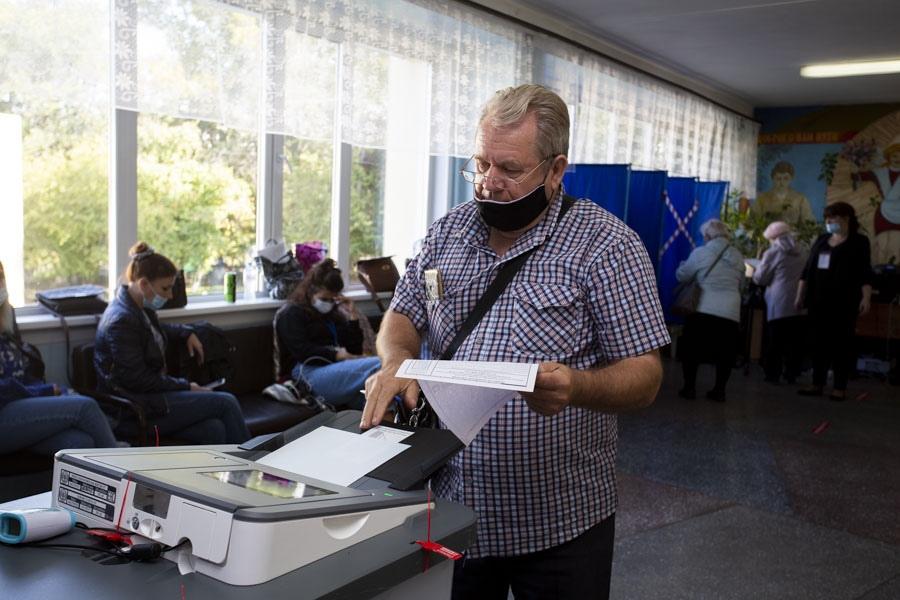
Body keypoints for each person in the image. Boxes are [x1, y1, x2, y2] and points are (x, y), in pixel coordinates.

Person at [361, 84, 669, 599]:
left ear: (555, 169)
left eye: (509, 169)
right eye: (480, 164)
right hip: (450, 505)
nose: (487, 183)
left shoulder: (608, 246)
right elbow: (401, 314)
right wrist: (397, 360)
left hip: (559, 521)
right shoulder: (447, 232)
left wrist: (576, 386)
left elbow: (646, 375)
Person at [94, 242, 250, 443]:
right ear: (143, 284)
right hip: (132, 411)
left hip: (149, 400)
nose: (170, 295)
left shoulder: (137, 308)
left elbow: (151, 333)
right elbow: (138, 380)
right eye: (165, 288)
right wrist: (186, 386)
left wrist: (185, 332)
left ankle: (233, 473)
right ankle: (257, 468)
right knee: (226, 402)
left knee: (214, 430)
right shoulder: (121, 320)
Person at [0, 260, 117, 455]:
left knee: (81, 443)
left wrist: (56, 391)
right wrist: (44, 391)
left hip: (18, 407)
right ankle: (123, 472)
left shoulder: (6, 318)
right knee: (84, 407)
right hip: (4, 412)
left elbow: (22, 376)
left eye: (1, 277)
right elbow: (5, 389)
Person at [274, 259, 379, 410]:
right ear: (310, 291)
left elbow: (354, 350)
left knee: (375, 397)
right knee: (382, 364)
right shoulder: (290, 313)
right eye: (324, 299)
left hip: (334, 370)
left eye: (332, 299)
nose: (328, 303)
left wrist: (353, 317)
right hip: (306, 373)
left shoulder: (333, 314)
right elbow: (302, 351)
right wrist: (337, 354)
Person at [795, 203, 873, 400]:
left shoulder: (859, 242)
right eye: (827, 219)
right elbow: (807, 271)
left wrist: (866, 298)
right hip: (817, 300)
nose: (829, 223)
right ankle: (817, 383)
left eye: (833, 218)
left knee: (841, 344)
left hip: (844, 302)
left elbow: (865, 273)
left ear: (846, 219)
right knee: (817, 342)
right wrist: (799, 295)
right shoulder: (822, 240)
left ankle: (839, 387)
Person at [676, 219, 745, 402]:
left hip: (703, 308)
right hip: (731, 311)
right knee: (725, 354)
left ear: (707, 236)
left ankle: (689, 388)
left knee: (692, 350)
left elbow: (683, 276)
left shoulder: (701, 252)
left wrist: (682, 265)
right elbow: (742, 284)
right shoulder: (737, 255)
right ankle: (719, 390)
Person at [752, 221, 809, 384]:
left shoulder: (773, 252)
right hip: (799, 300)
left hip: (779, 301)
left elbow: (761, 279)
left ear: (773, 237)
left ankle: (772, 374)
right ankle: (791, 373)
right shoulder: (802, 250)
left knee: (775, 341)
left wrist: (756, 270)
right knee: (795, 341)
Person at [857, 139, 900, 264]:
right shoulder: (879, 173)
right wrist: (856, 165)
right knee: (882, 243)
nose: (898, 159)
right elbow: (858, 176)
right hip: (883, 213)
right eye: (895, 156)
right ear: (888, 157)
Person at [751, 161, 815, 226]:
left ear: (791, 179)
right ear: (773, 178)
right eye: (778, 178)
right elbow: (752, 223)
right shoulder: (762, 199)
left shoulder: (801, 199)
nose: (782, 182)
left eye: (786, 178)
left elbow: (809, 223)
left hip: (794, 235)